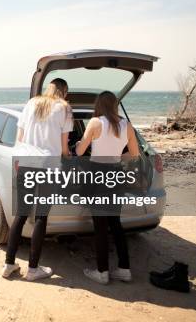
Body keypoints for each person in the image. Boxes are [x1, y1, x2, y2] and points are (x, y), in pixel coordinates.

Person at [2, 78, 73, 281]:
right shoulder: (64, 108)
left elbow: (20, 138)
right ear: (64, 92)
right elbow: (64, 146)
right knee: (41, 217)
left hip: (25, 163)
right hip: (47, 167)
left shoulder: (31, 103)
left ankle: (9, 264)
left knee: (21, 215)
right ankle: (33, 269)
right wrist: (69, 156)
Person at [75, 91, 140, 285]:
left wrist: (80, 144)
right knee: (115, 224)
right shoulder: (126, 125)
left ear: (99, 105)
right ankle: (124, 269)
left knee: (100, 226)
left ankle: (102, 272)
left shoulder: (95, 123)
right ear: (114, 105)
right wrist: (118, 158)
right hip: (115, 174)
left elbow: (79, 151)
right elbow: (135, 154)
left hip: (97, 174)